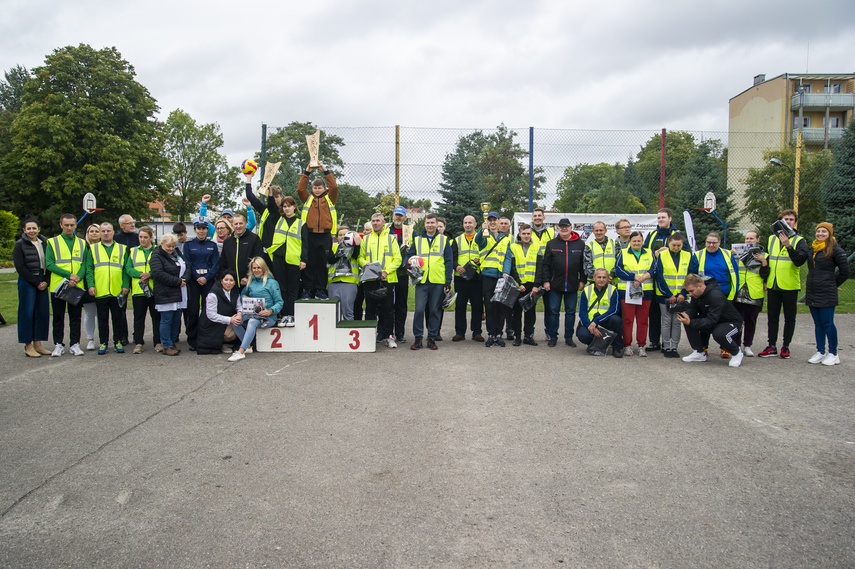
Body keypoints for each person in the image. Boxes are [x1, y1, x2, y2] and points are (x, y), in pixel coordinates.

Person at [759, 209, 811, 359]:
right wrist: (764, 279)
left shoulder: (799, 240)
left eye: (791, 220)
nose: (788, 222)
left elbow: (800, 261)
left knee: (789, 317)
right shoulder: (771, 239)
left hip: (789, 285)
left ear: (795, 222)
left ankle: (786, 346)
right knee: (772, 317)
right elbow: (767, 260)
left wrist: (788, 246)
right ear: (780, 222)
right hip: (773, 284)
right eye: (785, 220)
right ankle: (771, 345)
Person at [805, 222, 850, 366]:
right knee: (818, 323)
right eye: (818, 231)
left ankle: (833, 353)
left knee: (828, 323)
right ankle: (820, 351)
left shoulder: (836, 249)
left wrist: (833, 284)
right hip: (812, 292)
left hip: (826, 292)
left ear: (829, 233)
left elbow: (846, 271)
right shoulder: (812, 248)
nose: (820, 234)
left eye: (824, 232)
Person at [678, 274, 745, 367]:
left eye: (691, 291)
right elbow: (692, 309)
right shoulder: (696, 295)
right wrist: (687, 316)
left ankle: (737, 352)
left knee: (719, 334)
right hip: (715, 321)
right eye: (689, 291)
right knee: (688, 321)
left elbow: (711, 320)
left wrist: (691, 322)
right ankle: (699, 353)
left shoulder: (715, 296)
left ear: (700, 286)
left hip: (732, 322)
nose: (690, 294)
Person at [407, 214, 452, 350]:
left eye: (433, 223)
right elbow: (410, 257)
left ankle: (432, 338)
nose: (430, 225)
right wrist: (408, 264)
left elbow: (448, 261)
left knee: (434, 310)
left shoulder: (444, 240)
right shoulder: (418, 240)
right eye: (428, 223)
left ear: (436, 224)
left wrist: (448, 280)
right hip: (422, 281)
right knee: (419, 310)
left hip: (438, 280)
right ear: (425, 224)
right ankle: (418, 338)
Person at [45, 213, 87, 356]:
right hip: (59, 286)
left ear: (75, 225)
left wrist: (77, 278)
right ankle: (58, 344)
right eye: (66, 225)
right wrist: (69, 276)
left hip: (75, 286)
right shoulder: (52, 242)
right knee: (58, 316)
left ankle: (75, 344)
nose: (69, 228)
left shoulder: (82, 243)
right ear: (61, 225)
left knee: (75, 316)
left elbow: (85, 264)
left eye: (72, 225)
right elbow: (50, 264)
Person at [85, 222, 130, 354]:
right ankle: (103, 342)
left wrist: (125, 285)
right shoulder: (93, 249)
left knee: (117, 318)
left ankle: (118, 341)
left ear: (113, 232)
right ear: (100, 233)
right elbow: (89, 269)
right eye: (103, 231)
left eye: (108, 231)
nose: (105, 233)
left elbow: (125, 270)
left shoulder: (122, 248)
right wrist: (91, 285)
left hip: (117, 290)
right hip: (101, 289)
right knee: (102, 319)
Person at [541, 218, 586, 348]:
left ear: (571, 228)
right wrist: (546, 281)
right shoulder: (552, 244)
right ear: (558, 228)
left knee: (571, 312)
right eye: (561, 227)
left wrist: (582, 280)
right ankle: (553, 337)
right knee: (553, 311)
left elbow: (583, 265)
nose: (564, 228)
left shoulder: (580, 244)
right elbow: (546, 265)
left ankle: (568, 337)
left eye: (566, 226)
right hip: (555, 284)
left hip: (572, 284)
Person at [359, 213, 402, 348]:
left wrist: (386, 271)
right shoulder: (365, 239)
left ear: (384, 222)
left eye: (378, 221)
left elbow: (398, 259)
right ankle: (369, 337)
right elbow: (360, 258)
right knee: (370, 309)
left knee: (388, 309)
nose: (375, 223)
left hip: (387, 279)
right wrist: (366, 264)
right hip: (370, 279)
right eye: (373, 221)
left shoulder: (391, 239)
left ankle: (389, 336)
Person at [228, 257, 283, 362]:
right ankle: (247, 347)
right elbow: (243, 293)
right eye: (254, 268)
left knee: (253, 322)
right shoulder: (251, 282)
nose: (256, 270)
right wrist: (243, 297)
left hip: (268, 317)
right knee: (236, 320)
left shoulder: (272, 283)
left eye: (259, 268)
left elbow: (280, 302)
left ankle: (240, 351)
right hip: (253, 313)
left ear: (264, 268)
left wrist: (270, 311)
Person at [297, 161, 338, 299]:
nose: (317, 190)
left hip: (325, 235)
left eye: (320, 187)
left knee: (321, 263)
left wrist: (325, 170)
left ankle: (320, 289)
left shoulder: (330, 198)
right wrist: (307, 171)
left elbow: (334, 187)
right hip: (309, 234)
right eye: (315, 187)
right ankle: (308, 289)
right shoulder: (308, 198)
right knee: (308, 263)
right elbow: (300, 189)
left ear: (324, 188)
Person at [643, 208, 680, 352]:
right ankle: (654, 341)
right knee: (654, 313)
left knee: (670, 315)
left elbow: (685, 253)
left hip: (670, 283)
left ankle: (668, 343)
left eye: (663, 217)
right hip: (652, 281)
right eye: (658, 218)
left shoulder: (677, 235)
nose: (660, 220)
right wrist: (655, 253)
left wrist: (669, 252)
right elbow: (644, 252)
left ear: (670, 218)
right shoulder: (652, 234)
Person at [266, 195, 306, 327]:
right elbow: (271, 207)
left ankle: (291, 314)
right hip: (278, 258)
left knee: (293, 288)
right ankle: (283, 315)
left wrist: (304, 259)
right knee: (281, 288)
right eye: (284, 206)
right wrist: (270, 194)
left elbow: (306, 244)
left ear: (294, 207)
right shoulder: (278, 219)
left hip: (294, 259)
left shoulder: (301, 223)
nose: (287, 208)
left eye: (289, 206)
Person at [614, 230, 656, 356]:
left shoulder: (649, 252)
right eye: (634, 241)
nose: (637, 243)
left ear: (643, 241)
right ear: (630, 242)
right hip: (627, 291)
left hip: (646, 291)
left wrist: (644, 277)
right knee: (627, 319)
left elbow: (655, 268)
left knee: (643, 320)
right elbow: (618, 270)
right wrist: (634, 277)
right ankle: (627, 345)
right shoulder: (623, 253)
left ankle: (641, 345)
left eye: (639, 241)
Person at [13, 217, 51, 357]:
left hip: (43, 278)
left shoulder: (46, 243)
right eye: (28, 228)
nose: (31, 231)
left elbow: (50, 263)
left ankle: (38, 344)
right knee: (27, 313)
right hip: (28, 280)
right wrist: (36, 282)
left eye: (34, 228)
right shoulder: (19, 245)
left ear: (39, 229)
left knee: (41, 312)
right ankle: (28, 345)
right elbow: (20, 266)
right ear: (24, 230)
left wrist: (46, 281)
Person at [149, 233, 191, 356]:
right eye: (168, 246)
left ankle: (172, 342)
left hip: (179, 291)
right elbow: (158, 274)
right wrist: (177, 282)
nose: (171, 249)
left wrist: (184, 279)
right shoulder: (156, 255)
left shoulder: (177, 253)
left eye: (172, 246)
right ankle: (166, 345)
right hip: (165, 293)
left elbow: (187, 266)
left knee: (176, 319)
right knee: (166, 320)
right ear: (161, 244)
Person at [183, 217, 220, 350]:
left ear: (207, 230)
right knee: (192, 311)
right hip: (194, 281)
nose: (201, 231)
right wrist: (198, 276)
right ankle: (192, 339)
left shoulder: (212, 245)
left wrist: (206, 277)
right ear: (195, 229)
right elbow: (187, 263)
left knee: (207, 310)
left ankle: (205, 337)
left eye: (204, 228)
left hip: (208, 281)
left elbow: (216, 264)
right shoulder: (188, 245)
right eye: (199, 228)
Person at [731, 230, 769, 357]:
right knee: (737, 320)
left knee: (750, 321)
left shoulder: (765, 255)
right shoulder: (738, 253)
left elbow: (766, 275)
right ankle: (736, 345)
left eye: (751, 238)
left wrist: (764, 262)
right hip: (738, 290)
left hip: (754, 291)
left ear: (758, 240)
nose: (748, 240)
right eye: (747, 238)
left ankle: (747, 345)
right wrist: (731, 256)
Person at [504, 224, 542, 346]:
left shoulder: (537, 247)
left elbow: (540, 267)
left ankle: (529, 336)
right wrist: (518, 283)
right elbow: (512, 267)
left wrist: (537, 285)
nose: (526, 236)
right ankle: (518, 337)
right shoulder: (513, 246)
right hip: (518, 286)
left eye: (528, 233)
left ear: (531, 234)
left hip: (532, 286)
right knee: (517, 312)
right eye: (524, 233)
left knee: (530, 313)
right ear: (519, 234)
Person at [654, 232, 691, 358]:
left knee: (677, 321)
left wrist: (683, 293)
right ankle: (666, 346)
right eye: (673, 245)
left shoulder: (687, 255)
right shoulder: (662, 256)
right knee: (666, 321)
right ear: (668, 243)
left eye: (678, 245)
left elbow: (689, 276)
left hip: (681, 295)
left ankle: (674, 347)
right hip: (665, 295)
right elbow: (659, 276)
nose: (676, 247)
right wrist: (669, 294)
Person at [124, 226, 161, 354]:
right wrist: (140, 274)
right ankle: (139, 342)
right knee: (139, 318)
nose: (143, 239)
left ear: (151, 238)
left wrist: (150, 274)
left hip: (154, 289)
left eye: (145, 237)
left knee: (156, 317)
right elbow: (128, 268)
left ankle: (158, 341)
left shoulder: (157, 250)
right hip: (139, 290)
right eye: (140, 237)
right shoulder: (133, 251)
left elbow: (161, 267)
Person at [479, 211, 511, 347]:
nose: (492, 222)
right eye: (490, 220)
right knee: (490, 306)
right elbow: (478, 241)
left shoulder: (505, 239)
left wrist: (506, 272)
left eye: (495, 220)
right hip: (488, 276)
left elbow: (508, 257)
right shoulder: (485, 235)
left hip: (501, 277)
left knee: (500, 306)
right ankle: (491, 334)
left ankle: (499, 334)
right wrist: (482, 230)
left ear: (499, 222)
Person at [451, 215, 485, 342]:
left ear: (475, 224)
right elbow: (452, 258)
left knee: (477, 305)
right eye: (465, 222)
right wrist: (457, 266)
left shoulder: (481, 239)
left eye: (470, 222)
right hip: (461, 278)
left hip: (476, 277)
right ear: (463, 224)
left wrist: (480, 261)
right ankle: (459, 332)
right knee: (460, 305)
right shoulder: (457, 240)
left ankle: (477, 332)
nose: (468, 225)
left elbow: (486, 254)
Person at [577, 268, 624, 357]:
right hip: (591, 322)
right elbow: (582, 312)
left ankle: (617, 347)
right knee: (582, 335)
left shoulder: (613, 290)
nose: (601, 280)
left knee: (616, 320)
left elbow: (614, 310)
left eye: (604, 277)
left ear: (608, 279)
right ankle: (596, 344)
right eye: (599, 277)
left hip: (606, 320)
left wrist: (597, 321)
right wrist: (589, 325)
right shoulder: (586, 291)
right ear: (594, 278)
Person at [196, 272, 243, 355]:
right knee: (232, 334)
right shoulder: (212, 294)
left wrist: (239, 313)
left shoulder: (234, 291)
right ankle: (221, 344)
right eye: (226, 280)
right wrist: (230, 320)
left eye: (231, 280)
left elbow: (239, 306)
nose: (228, 283)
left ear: (235, 282)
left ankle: (225, 343)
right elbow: (211, 315)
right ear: (221, 281)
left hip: (225, 322)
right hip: (211, 324)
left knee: (241, 324)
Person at [386, 205, 411, 343]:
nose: (398, 217)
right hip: (389, 271)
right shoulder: (386, 230)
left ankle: (400, 333)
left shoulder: (410, 231)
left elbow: (415, 248)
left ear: (404, 217)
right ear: (393, 215)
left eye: (401, 215)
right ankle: (387, 332)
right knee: (387, 304)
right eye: (396, 215)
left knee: (401, 304)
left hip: (402, 272)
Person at [218, 214, 262, 287]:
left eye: (241, 223)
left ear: (245, 224)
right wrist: (227, 278)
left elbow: (258, 260)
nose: (238, 226)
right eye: (236, 224)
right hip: (232, 284)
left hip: (250, 282)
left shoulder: (254, 238)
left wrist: (248, 277)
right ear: (232, 225)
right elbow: (223, 263)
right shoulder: (227, 242)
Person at [328, 227, 361, 321]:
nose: (343, 237)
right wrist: (339, 252)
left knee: (348, 311)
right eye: (340, 235)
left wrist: (357, 245)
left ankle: (347, 334)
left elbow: (356, 256)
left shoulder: (355, 247)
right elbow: (330, 260)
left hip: (349, 282)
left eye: (345, 235)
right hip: (333, 282)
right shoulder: (333, 246)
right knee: (333, 313)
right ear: (337, 237)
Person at [81, 224, 101, 350]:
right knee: (89, 312)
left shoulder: (103, 247)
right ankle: (90, 339)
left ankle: (103, 338)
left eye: (96, 231)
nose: (94, 233)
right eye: (91, 231)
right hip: (88, 283)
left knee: (101, 313)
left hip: (102, 284)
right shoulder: (84, 247)